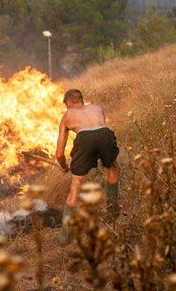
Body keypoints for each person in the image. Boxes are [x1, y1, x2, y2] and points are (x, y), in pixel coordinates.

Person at [55, 89, 120, 244]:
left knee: (76, 183)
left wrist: (64, 166)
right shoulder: (97, 108)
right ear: (81, 100)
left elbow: (59, 154)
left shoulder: (67, 115)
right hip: (105, 134)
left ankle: (65, 236)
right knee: (112, 167)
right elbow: (98, 134)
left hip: (84, 138)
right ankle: (113, 211)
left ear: (69, 103)